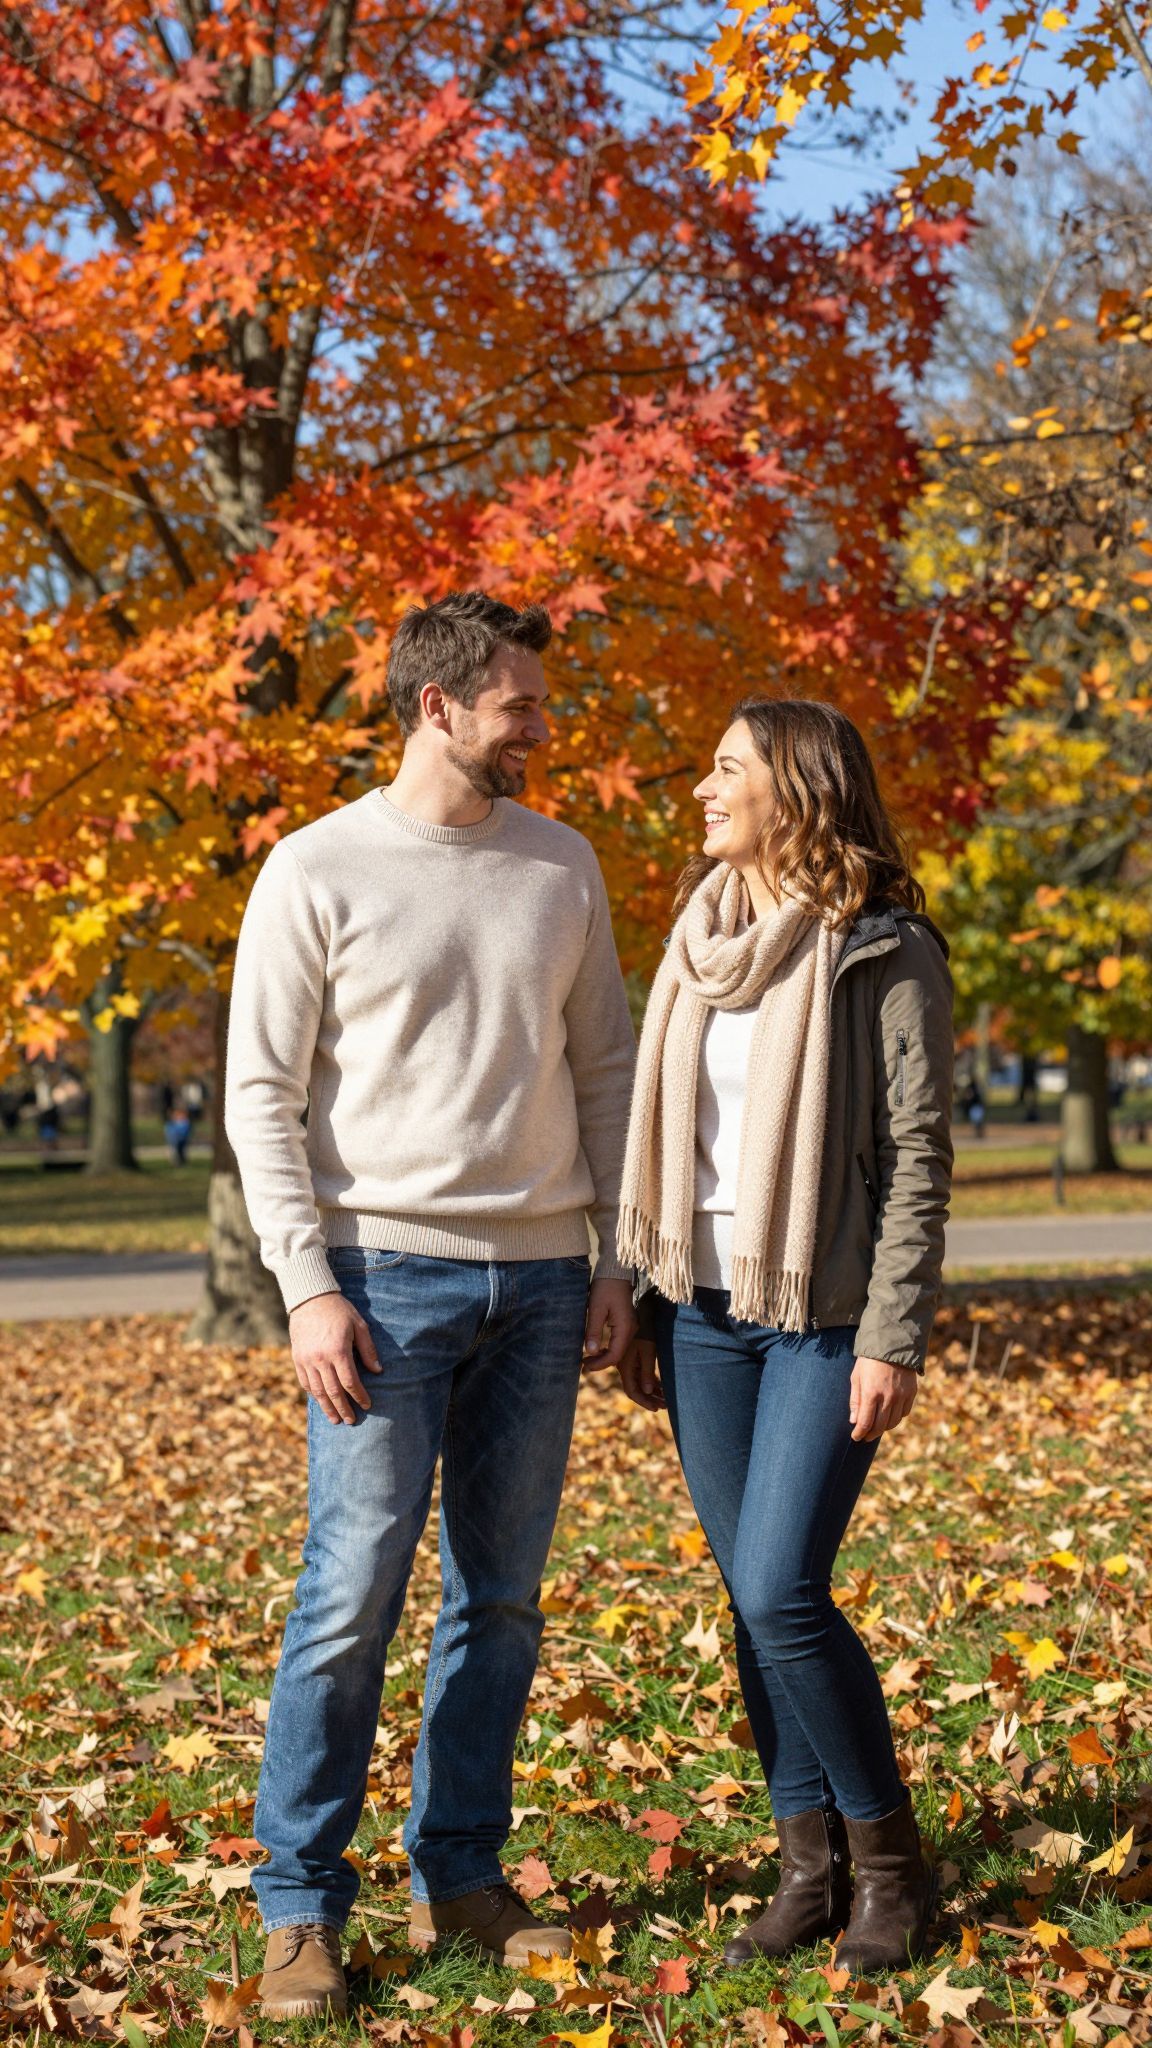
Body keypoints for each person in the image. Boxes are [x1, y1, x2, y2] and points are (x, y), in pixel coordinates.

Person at [225, 591, 636, 2021]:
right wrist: (307, 1290)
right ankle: (298, 1908)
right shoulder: (316, 868)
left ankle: (460, 1872)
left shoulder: (561, 864)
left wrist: (615, 1258)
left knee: (502, 1602)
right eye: (519, 704)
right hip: (380, 1284)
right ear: (439, 707)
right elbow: (261, 1098)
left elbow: (606, 1076)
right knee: (350, 1597)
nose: (540, 725)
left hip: (539, 1284)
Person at [610, 698, 952, 1975]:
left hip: (819, 1310)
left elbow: (919, 1156)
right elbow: (667, 1146)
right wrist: (644, 1301)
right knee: (753, 1607)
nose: (702, 787)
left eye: (726, 768)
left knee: (779, 1589)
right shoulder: (701, 940)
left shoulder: (884, 946)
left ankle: (890, 1862)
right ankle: (805, 1865)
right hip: (698, 1310)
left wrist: (893, 1333)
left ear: (796, 789)